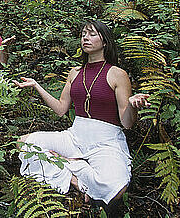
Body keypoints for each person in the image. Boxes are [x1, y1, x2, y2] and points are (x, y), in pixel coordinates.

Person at [12, 20, 150, 214]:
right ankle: (76, 181)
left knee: (116, 187)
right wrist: (36, 86)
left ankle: (71, 164)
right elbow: (61, 109)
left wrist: (133, 105)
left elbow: (127, 123)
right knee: (24, 142)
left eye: (92, 34)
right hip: (75, 136)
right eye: (84, 34)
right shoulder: (75, 72)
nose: (86, 37)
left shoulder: (117, 74)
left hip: (106, 141)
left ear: (105, 42)